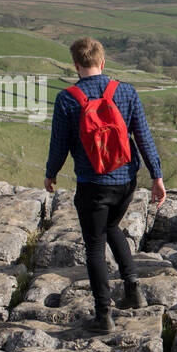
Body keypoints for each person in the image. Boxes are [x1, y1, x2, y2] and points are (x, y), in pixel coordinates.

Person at [44, 37, 166, 333]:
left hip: (92, 185)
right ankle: (133, 289)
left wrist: (51, 173)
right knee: (112, 228)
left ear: (75, 65)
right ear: (103, 61)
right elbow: (143, 137)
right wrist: (156, 176)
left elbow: (59, 145)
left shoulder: (67, 99)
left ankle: (103, 316)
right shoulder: (125, 91)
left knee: (95, 247)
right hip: (126, 182)